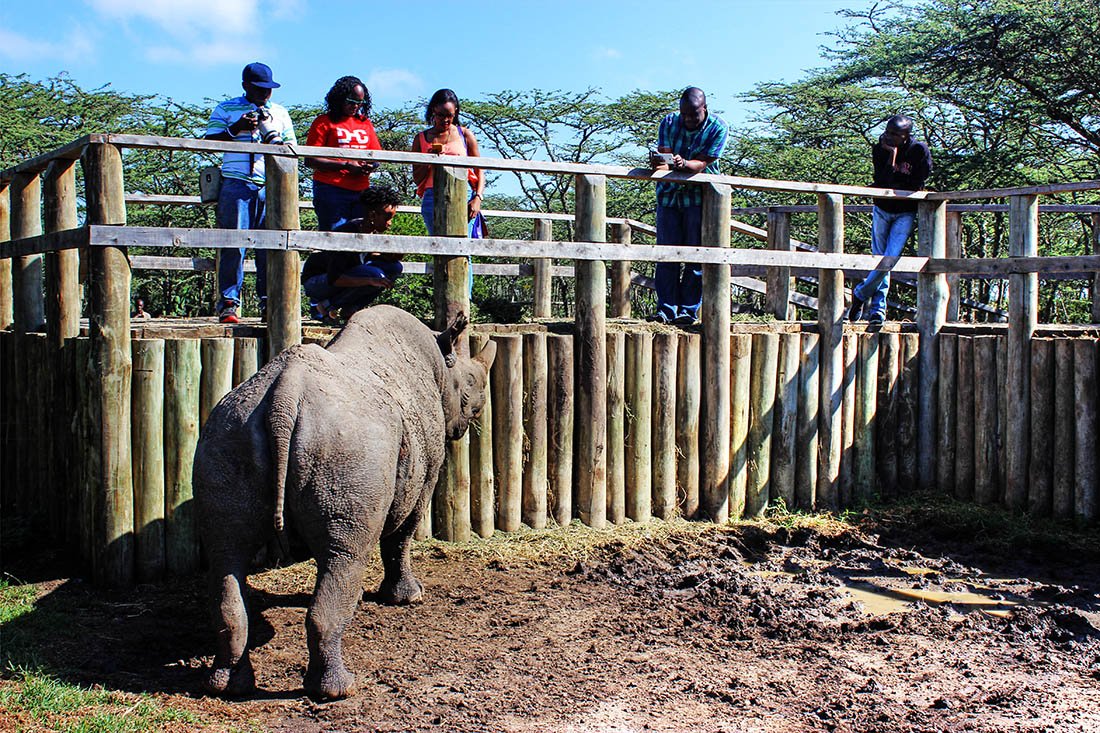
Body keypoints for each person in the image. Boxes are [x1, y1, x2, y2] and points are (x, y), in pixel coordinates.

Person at [204, 62, 298, 324]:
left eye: (269, 89)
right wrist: (236, 129)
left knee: (270, 247)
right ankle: (229, 304)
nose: (265, 94)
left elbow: (291, 150)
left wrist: (273, 134)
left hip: (270, 184)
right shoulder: (226, 108)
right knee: (234, 244)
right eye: (260, 88)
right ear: (246, 86)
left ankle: (269, 302)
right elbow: (209, 142)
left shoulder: (279, 113)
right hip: (236, 181)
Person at [647, 87, 729, 325]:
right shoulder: (669, 122)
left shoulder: (718, 128)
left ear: (704, 108)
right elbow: (664, 162)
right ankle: (666, 309)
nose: (689, 120)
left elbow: (702, 163)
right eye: (685, 115)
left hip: (698, 197)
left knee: (696, 256)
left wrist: (683, 163)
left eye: (693, 115)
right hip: (669, 197)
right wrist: (659, 163)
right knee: (666, 255)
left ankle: (688, 311)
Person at [848, 114, 933, 326]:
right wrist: (892, 156)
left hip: (905, 211)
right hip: (882, 208)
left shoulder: (918, 151)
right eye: (887, 132)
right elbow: (882, 180)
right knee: (880, 259)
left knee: (890, 258)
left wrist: (899, 174)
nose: (889, 136)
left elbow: (918, 181)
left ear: (906, 135)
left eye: (894, 134)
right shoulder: (880, 149)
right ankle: (878, 312)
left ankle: (860, 294)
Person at [302, 185, 403, 325]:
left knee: (394, 268)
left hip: (339, 277)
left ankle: (350, 309)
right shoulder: (349, 233)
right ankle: (325, 306)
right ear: (373, 215)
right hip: (317, 281)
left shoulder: (370, 231)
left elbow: (363, 258)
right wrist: (370, 281)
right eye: (387, 218)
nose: (390, 223)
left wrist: (390, 256)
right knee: (374, 275)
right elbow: (335, 278)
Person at [304, 76, 382, 232]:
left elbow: (377, 156)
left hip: (361, 190)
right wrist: (345, 165)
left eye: (360, 102)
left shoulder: (364, 123)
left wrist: (370, 166)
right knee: (334, 238)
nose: (356, 106)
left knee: (361, 238)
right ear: (339, 98)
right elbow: (310, 160)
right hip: (331, 189)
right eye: (351, 101)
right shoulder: (324, 122)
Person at [411, 89, 486, 238]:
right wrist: (429, 160)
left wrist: (478, 198)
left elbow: (480, 171)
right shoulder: (421, 138)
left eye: (450, 116)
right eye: (441, 115)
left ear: (456, 112)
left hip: (463, 195)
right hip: (432, 195)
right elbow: (417, 178)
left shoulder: (465, 135)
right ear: (433, 110)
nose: (445, 120)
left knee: (462, 248)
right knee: (438, 246)